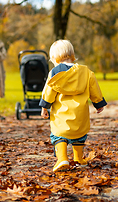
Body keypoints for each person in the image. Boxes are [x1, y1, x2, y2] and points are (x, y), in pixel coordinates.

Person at [39, 39, 107, 172]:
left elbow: (48, 91)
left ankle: (62, 158)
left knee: (58, 136)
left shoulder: (55, 73)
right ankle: (78, 158)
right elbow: (94, 88)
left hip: (61, 116)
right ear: (72, 54)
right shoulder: (85, 71)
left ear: (54, 57)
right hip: (79, 115)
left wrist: (44, 106)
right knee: (80, 136)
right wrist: (98, 103)